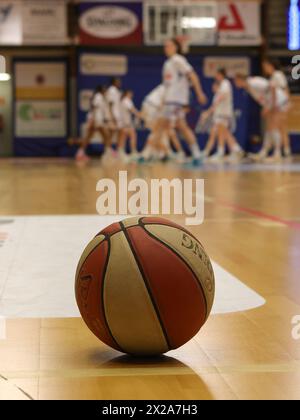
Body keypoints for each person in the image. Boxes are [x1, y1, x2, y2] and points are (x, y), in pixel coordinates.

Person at [146, 38, 207, 166]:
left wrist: (199, 92)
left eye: (169, 45)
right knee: (180, 126)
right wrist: (162, 101)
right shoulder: (167, 64)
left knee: (160, 126)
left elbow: (192, 75)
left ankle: (146, 155)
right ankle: (196, 154)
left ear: (176, 47)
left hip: (175, 100)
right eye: (165, 46)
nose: (166, 48)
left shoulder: (178, 60)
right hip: (170, 100)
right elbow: (166, 86)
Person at [235, 74, 286, 162]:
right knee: (269, 128)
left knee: (274, 127)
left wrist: (272, 105)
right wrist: (266, 107)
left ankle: (277, 153)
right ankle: (264, 152)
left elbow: (272, 86)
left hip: (278, 101)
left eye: (236, 81)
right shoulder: (249, 88)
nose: (235, 83)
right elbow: (263, 97)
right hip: (271, 104)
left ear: (240, 79)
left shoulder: (254, 82)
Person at [201, 69, 243, 162]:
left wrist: (208, 112)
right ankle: (236, 150)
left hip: (223, 113)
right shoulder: (221, 87)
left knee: (221, 132)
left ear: (221, 75)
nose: (216, 77)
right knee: (224, 133)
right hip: (220, 114)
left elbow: (222, 97)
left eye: (217, 75)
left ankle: (221, 152)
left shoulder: (225, 83)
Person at [262, 58, 291, 158]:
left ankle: (278, 152)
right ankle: (286, 151)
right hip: (278, 104)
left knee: (276, 126)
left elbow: (284, 89)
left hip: (281, 104)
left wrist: (285, 103)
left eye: (266, 66)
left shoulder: (278, 75)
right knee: (281, 128)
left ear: (271, 65)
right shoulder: (273, 77)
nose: (265, 68)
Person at [75, 85, 110, 162]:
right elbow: (94, 108)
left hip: (97, 119)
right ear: (101, 90)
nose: (106, 91)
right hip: (96, 119)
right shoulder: (98, 96)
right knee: (105, 135)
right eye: (104, 89)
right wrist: (93, 120)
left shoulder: (101, 97)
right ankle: (108, 153)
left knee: (91, 136)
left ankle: (80, 153)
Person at [119, 90, 141, 162]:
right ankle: (133, 153)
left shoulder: (123, 101)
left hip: (124, 123)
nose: (132, 95)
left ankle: (122, 154)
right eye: (131, 93)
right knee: (131, 135)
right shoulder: (126, 100)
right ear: (127, 93)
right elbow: (132, 110)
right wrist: (139, 114)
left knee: (124, 137)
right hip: (125, 123)